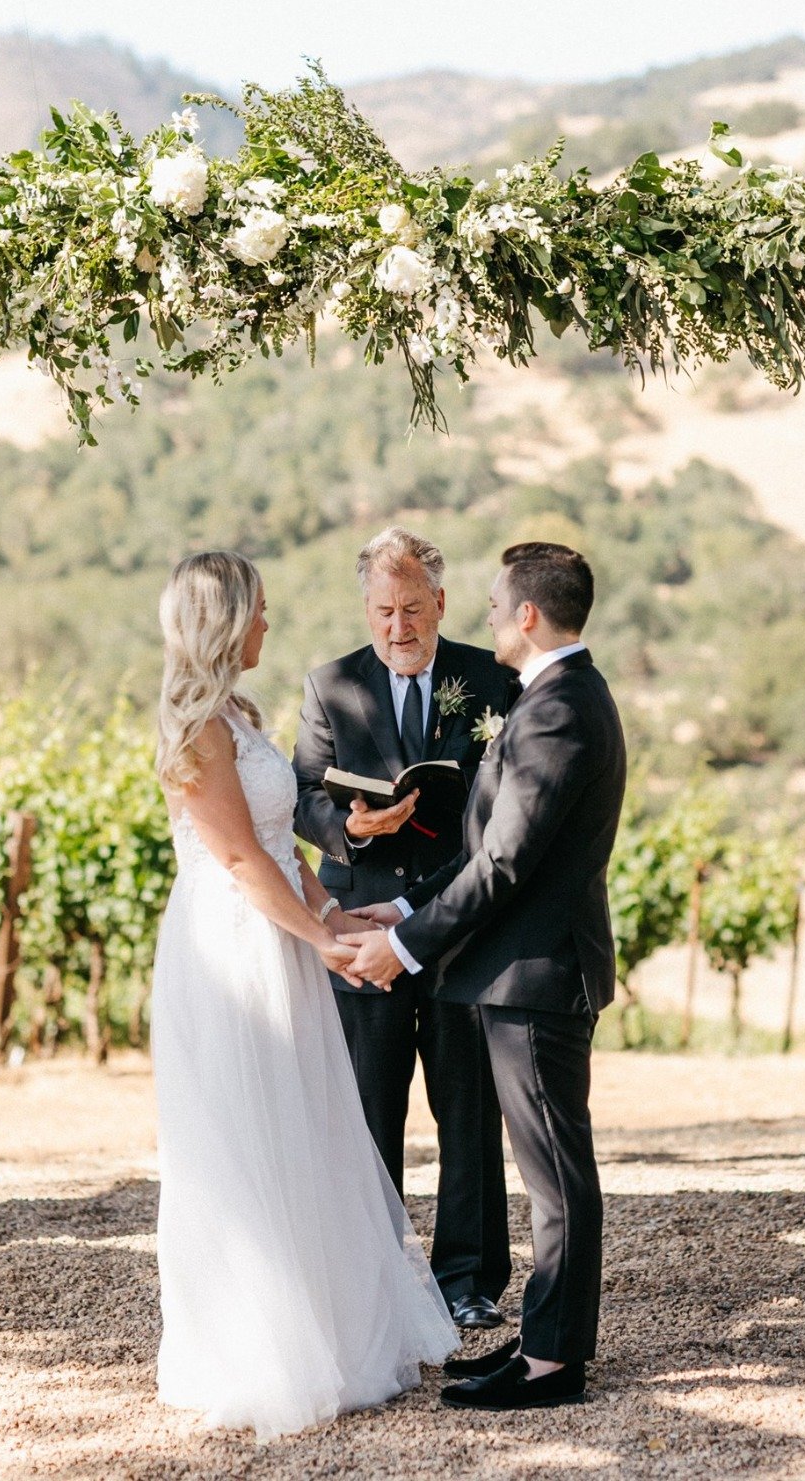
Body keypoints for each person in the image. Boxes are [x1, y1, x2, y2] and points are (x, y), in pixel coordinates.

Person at [150, 550, 457, 1440]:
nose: (268, 625)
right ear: (223, 620)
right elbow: (240, 861)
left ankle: (332, 1331)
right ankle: (259, 1349)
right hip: (231, 949)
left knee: (309, 1123)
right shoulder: (195, 729)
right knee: (247, 1136)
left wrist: (336, 909)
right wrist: (320, 939)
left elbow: (282, 846)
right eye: (259, 611)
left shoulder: (240, 715)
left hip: (280, 929)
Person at [344, 541, 626, 1411]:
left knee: (553, 1173)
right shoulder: (559, 699)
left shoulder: (556, 710)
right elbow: (485, 853)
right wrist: (398, 911)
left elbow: (504, 864)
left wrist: (408, 947)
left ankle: (553, 1367)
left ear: (530, 615)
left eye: (501, 604)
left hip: (536, 979)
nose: (492, 617)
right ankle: (542, 1344)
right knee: (548, 1167)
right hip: (521, 975)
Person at [293, 527, 515, 1328]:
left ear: (441, 604)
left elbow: (502, 816)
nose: (398, 627)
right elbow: (302, 796)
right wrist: (353, 828)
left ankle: (470, 1284)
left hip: (458, 928)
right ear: (366, 607)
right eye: (384, 610)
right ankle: (373, 1276)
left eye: (413, 609)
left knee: (467, 1110)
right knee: (366, 1111)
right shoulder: (329, 685)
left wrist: (429, 907)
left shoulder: (491, 678)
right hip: (358, 931)